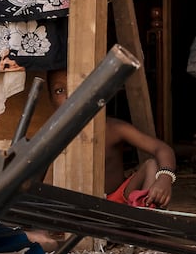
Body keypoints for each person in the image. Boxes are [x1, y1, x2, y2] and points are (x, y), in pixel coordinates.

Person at [48, 69, 178, 208]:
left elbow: (162, 148)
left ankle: (145, 216)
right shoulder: (50, 136)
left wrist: (165, 178)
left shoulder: (111, 128)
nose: (70, 95)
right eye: (59, 91)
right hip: (75, 206)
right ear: (51, 99)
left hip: (118, 202)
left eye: (78, 87)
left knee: (151, 165)